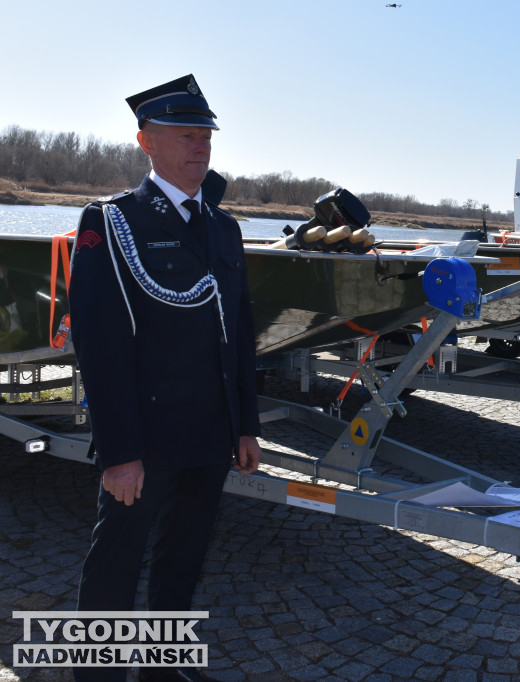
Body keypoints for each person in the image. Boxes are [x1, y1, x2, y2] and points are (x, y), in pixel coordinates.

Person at [69, 75, 262, 682]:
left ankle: (163, 669)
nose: (199, 147)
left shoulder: (224, 228)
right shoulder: (113, 222)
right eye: (183, 135)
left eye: (204, 134)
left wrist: (247, 425)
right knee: (117, 561)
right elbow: (100, 347)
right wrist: (119, 452)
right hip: (145, 433)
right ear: (145, 141)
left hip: (210, 432)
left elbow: (240, 337)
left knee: (183, 559)